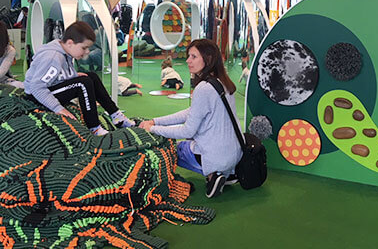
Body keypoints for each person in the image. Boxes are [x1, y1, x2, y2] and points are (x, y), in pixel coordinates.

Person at [140, 39, 243, 198]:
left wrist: (152, 129)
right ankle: (225, 173)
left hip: (216, 156)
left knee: (173, 149)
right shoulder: (223, 82)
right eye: (189, 56)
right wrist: (155, 121)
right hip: (235, 155)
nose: (188, 61)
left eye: (193, 56)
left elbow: (187, 129)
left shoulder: (204, 88)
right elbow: (190, 112)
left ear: (207, 59)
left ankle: (213, 175)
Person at [24, 21, 135, 135]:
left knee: (91, 76)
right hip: (36, 96)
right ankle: (94, 127)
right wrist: (58, 108)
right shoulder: (53, 57)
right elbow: (36, 86)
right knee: (83, 83)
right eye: (84, 47)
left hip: (50, 88)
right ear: (70, 43)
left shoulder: (64, 51)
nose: (87, 51)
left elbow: (58, 75)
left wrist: (74, 76)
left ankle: (116, 116)